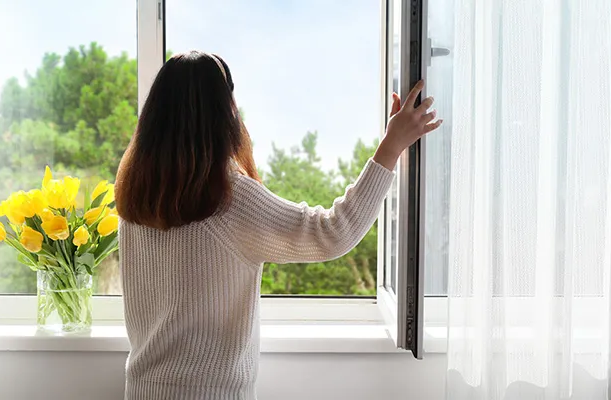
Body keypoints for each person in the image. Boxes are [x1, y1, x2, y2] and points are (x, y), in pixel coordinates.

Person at [115, 50, 440, 399]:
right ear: (222, 111)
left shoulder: (137, 194)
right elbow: (332, 233)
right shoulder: (227, 197)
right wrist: (391, 147)